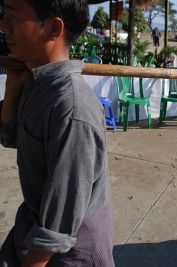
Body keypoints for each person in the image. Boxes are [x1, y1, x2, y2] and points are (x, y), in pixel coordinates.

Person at [0, 0, 114, 266]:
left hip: (71, 250)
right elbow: (17, 138)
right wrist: (12, 93)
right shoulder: (36, 82)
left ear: (52, 28)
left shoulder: (73, 108)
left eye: (13, 16)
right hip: (34, 223)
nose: (3, 26)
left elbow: (60, 222)